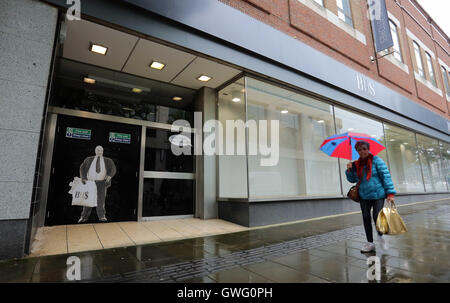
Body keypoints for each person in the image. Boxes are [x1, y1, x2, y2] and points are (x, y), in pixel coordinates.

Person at [346, 141, 396, 253]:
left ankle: (381, 235)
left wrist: (390, 194)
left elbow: (386, 176)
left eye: (364, 148)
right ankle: (370, 243)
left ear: (368, 149)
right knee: (366, 217)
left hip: (378, 194)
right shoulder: (356, 164)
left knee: (376, 216)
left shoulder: (377, 161)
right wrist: (349, 170)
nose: (362, 151)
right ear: (357, 151)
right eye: (359, 149)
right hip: (364, 195)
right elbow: (352, 179)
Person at [78, 145, 116, 223]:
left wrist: (109, 176)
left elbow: (113, 168)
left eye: (101, 151)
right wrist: (83, 178)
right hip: (90, 182)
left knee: (101, 200)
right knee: (88, 200)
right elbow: (82, 168)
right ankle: (84, 217)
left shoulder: (108, 160)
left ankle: (102, 217)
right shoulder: (89, 159)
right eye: (98, 150)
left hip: (102, 183)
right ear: (95, 151)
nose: (100, 152)